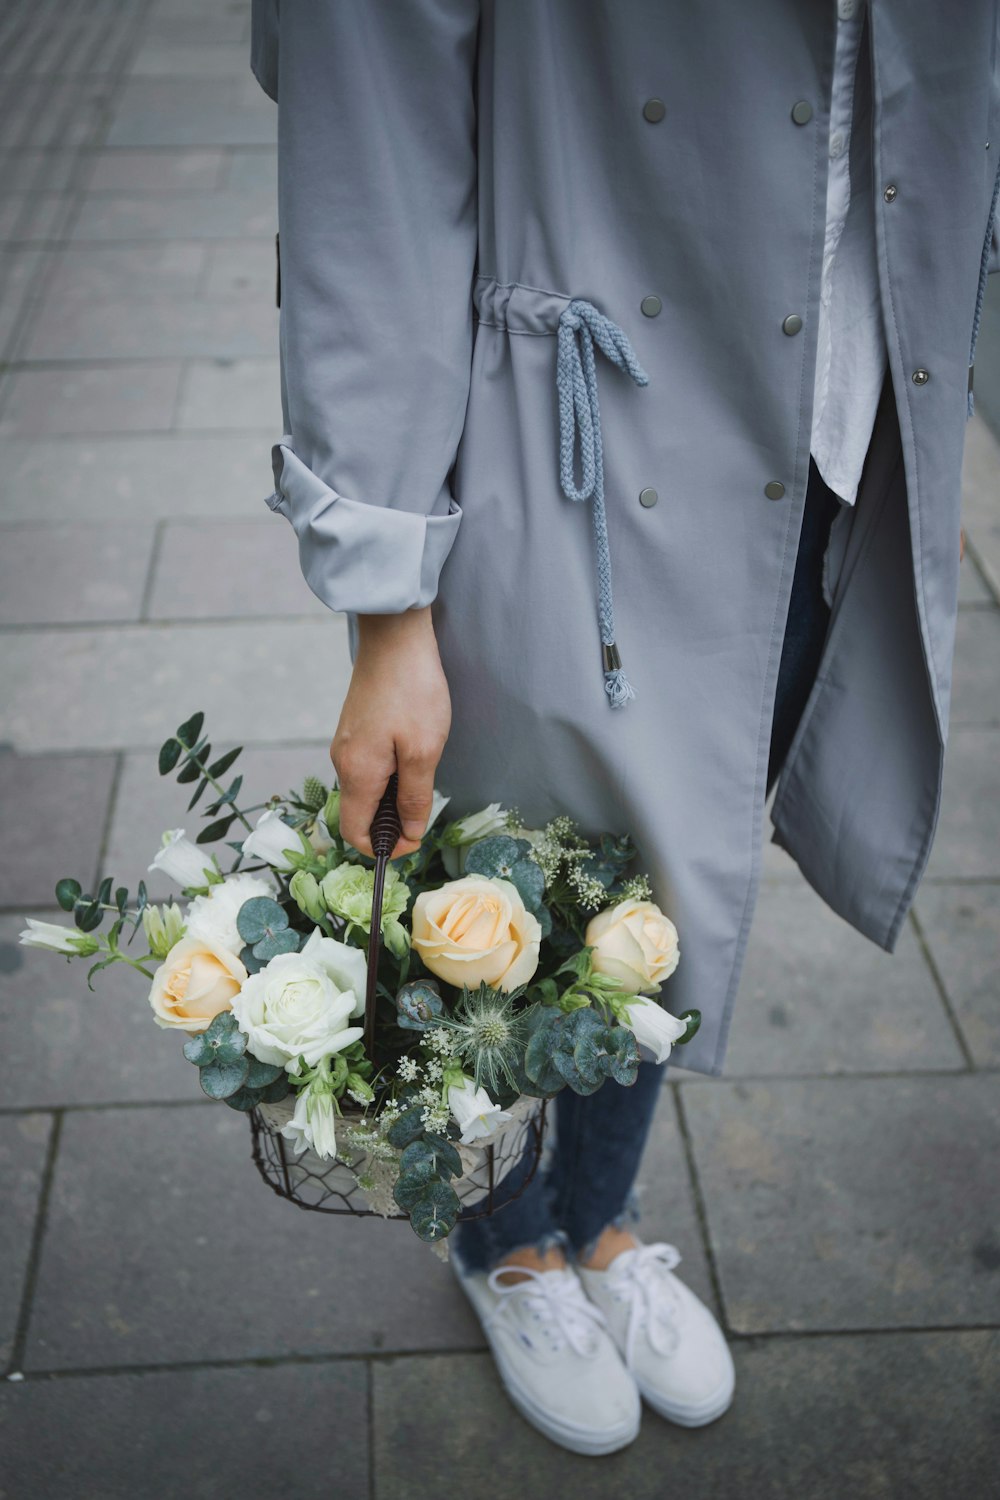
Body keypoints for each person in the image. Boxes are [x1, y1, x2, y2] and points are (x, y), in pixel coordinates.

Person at [250, 0, 997, 1455]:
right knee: (510, 891)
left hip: (838, 423)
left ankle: (595, 1221)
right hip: (572, 421)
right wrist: (386, 599)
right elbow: (374, 133)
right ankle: (506, 1244)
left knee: (664, 880)